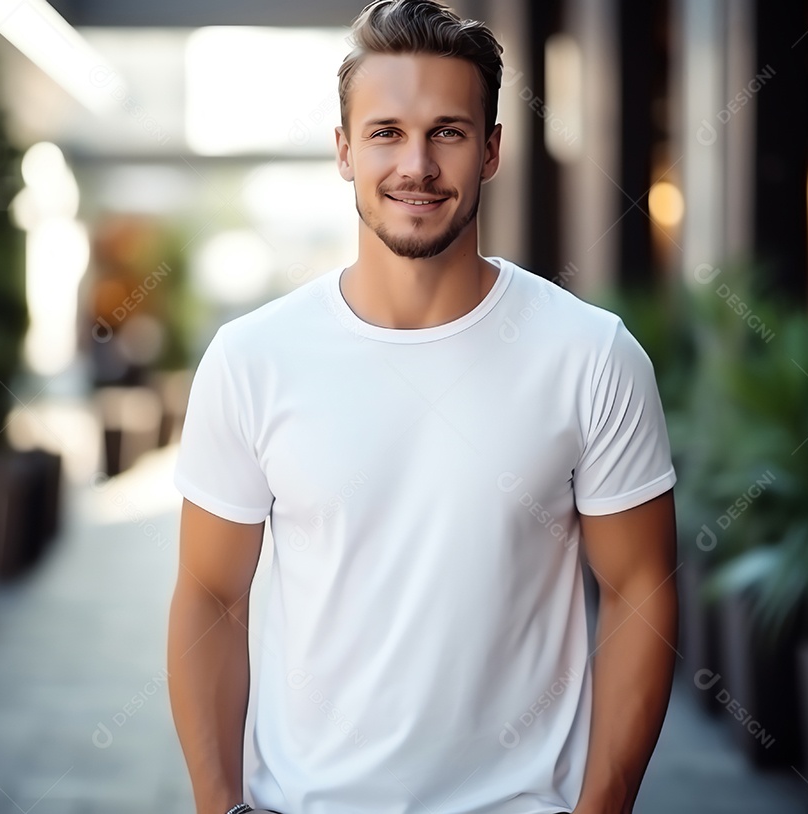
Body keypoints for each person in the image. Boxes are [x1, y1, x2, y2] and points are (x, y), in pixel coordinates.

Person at [167, 1, 679, 813]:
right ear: (343, 150)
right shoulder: (252, 359)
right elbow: (210, 597)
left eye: (448, 131)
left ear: (493, 149)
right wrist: (218, 805)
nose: (417, 164)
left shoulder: (591, 355)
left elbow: (640, 591)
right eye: (385, 132)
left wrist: (603, 804)